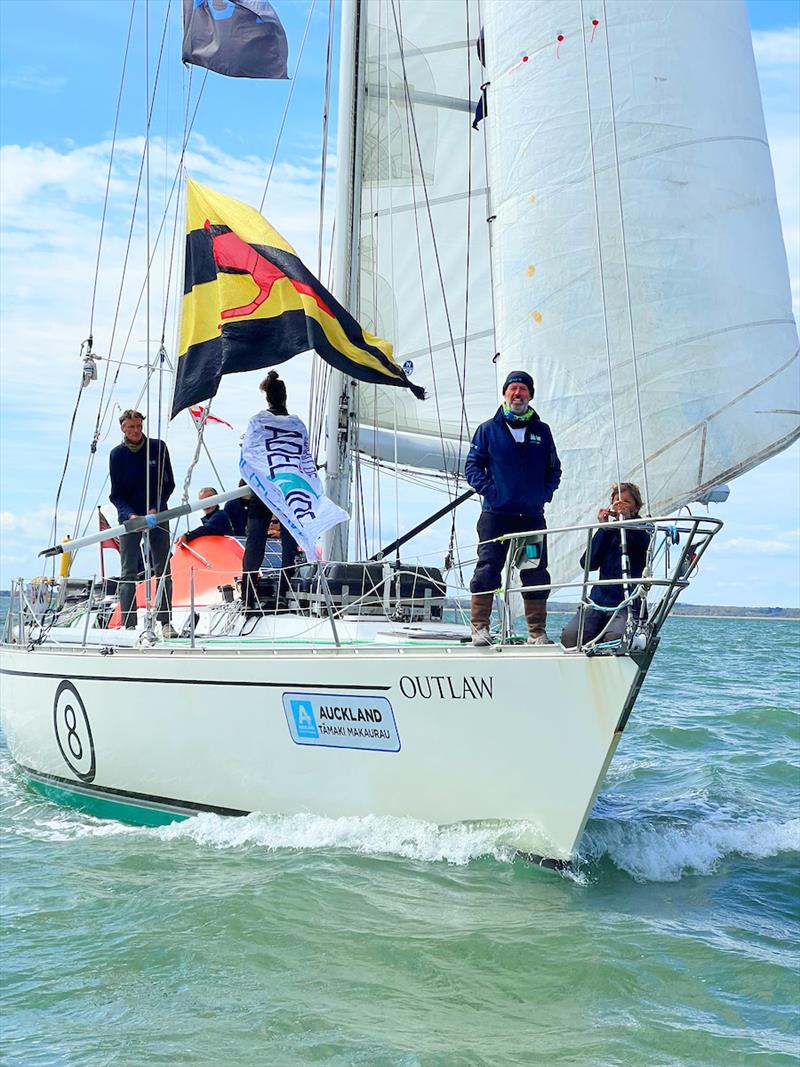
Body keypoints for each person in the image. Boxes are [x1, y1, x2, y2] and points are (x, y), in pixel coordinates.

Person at [464, 370, 561, 646]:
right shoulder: (487, 430)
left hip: (530, 519)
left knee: (534, 572)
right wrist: (490, 491)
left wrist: (543, 494)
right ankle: (480, 628)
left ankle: (536, 631)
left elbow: (554, 469)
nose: (517, 394)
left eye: (522, 389)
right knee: (488, 568)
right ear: (505, 394)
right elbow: (472, 466)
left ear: (530, 395)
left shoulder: (542, 432)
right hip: (496, 517)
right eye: (513, 389)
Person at [561, 483, 652, 648]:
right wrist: (602, 528)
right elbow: (588, 564)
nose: (620, 505)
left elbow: (645, 547)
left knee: (615, 638)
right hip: (599, 600)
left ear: (636, 506)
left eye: (626, 501)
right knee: (571, 635)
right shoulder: (607, 532)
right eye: (617, 501)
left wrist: (629, 522)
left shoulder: (643, 529)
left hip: (627, 602)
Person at [109, 408, 176, 634]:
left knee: (162, 568)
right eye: (131, 428)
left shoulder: (158, 447)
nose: (136, 431)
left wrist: (155, 507)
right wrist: (130, 515)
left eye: (139, 426)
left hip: (157, 513)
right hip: (130, 516)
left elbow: (168, 483)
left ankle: (166, 622)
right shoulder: (117, 455)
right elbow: (116, 494)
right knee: (128, 571)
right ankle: (129, 625)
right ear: (123, 429)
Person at [241, 372, 300, 613]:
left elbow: (249, 453)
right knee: (289, 541)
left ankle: (247, 594)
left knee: (255, 542)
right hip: (287, 489)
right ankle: (285, 593)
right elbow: (301, 455)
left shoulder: (257, 421)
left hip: (262, 489)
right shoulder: (297, 423)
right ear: (285, 397)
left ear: (267, 397)